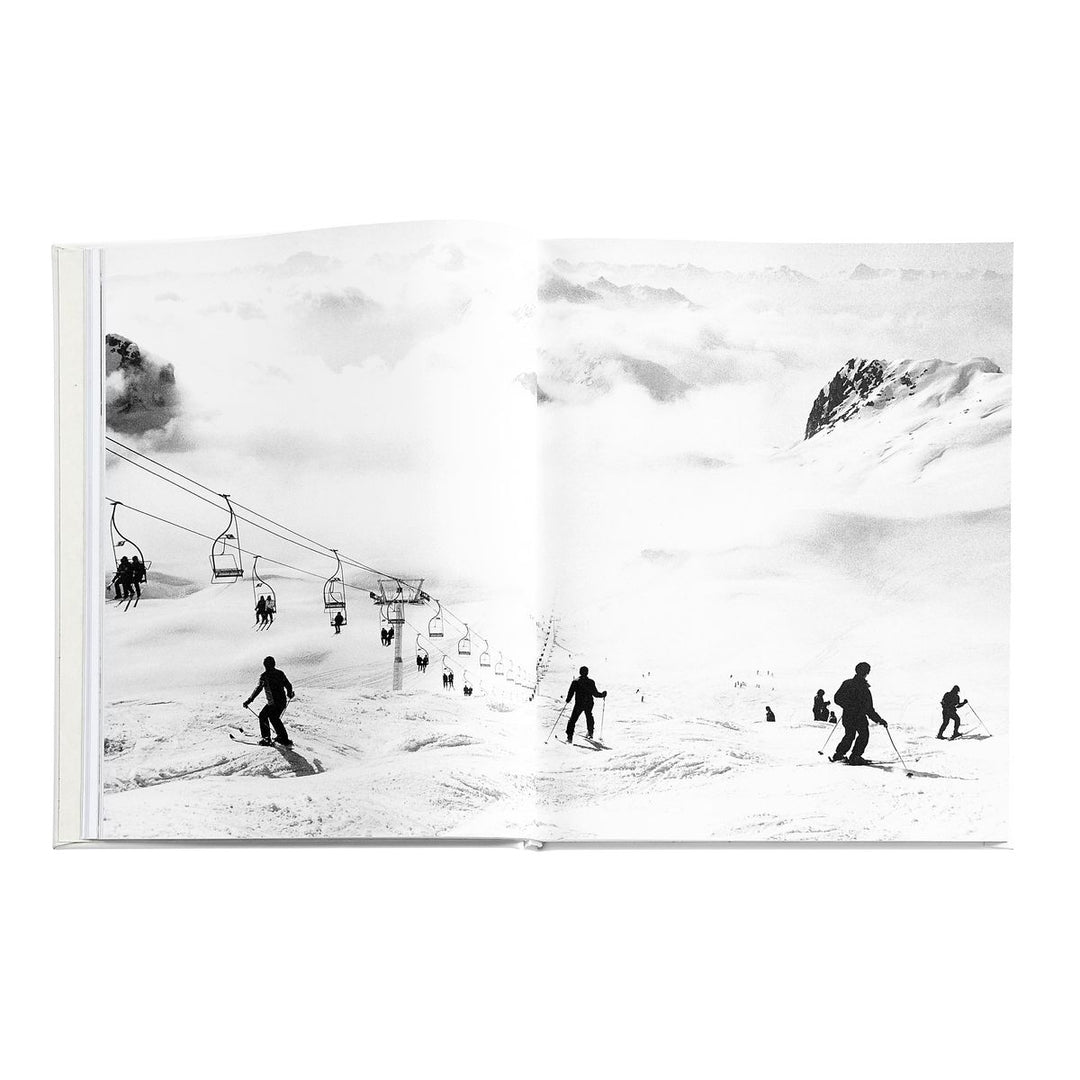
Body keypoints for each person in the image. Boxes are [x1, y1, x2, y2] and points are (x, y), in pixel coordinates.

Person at [830, 661, 886, 765]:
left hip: (847, 716)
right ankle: (855, 756)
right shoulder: (864, 689)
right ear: (867, 672)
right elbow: (869, 709)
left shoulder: (847, 683)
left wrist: (848, 706)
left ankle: (839, 754)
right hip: (859, 717)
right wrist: (879, 720)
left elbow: (837, 698)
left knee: (849, 735)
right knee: (863, 735)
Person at [242, 655, 295, 747]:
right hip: (282, 701)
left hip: (273, 703)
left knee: (265, 716)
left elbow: (258, 689)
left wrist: (249, 700)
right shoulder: (280, 673)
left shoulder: (264, 676)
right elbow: (288, 684)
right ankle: (283, 738)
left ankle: (267, 738)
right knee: (273, 718)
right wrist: (289, 693)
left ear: (265, 665)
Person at [565, 665, 607, 743]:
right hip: (589, 702)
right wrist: (602, 695)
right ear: (587, 673)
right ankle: (590, 732)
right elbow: (595, 694)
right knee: (589, 716)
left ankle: (570, 736)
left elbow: (571, 692)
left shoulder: (575, 681)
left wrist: (568, 699)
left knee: (573, 719)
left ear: (580, 672)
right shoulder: (590, 682)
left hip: (579, 703)